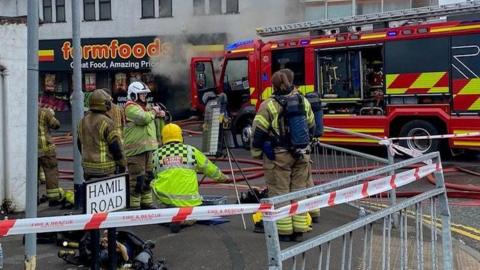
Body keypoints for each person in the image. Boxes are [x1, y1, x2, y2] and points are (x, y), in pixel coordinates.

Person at [251, 70, 315, 242]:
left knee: (280, 193)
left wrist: (257, 152)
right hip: (302, 154)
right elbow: (312, 126)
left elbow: (258, 132)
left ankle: (285, 232)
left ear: (273, 85)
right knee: (299, 191)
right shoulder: (303, 101)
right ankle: (300, 229)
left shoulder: (269, 105)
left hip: (279, 156)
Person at [151, 123, 227, 233]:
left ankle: (168, 218)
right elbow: (209, 168)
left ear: (163, 138)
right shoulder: (191, 151)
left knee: (154, 182)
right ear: (180, 136)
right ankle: (184, 220)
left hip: (166, 201)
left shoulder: (156, 154)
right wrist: (222, 177)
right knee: (193, 214)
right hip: (190, 203)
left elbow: (154, 173)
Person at [281, 68, 321, 224]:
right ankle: (314, 212)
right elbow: (312, 123)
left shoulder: (276, 102)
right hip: (304, 148)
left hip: (284, 151)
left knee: (284, 187)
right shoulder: (303, 100)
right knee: (306, 181)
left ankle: (288, 224)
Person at [124, 81, 165, 209]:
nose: (144, 97)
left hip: (149, 150)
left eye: (145, 94)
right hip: (135, 152)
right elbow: (143, 119)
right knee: (137, 179)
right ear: (134, 95)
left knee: (148, 177)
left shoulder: (146, 108)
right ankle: (134, 206)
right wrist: (153, 112)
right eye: (141, 94)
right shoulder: (130, 107)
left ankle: (146, 203)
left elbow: (151, 121)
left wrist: (161, 116)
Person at [78, 89, 126, 180]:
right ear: (105, 104)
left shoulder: (82, 121)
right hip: (106, 170)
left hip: (87, 169)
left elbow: (79, 144)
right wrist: (122, 164)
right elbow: (115, 147)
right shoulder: (107, 122)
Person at [38, 106, 64, 206]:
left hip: (30, 151)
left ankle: (33, 199)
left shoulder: (23, 112)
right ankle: (53, 199)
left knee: (32, 176)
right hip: (46, 150)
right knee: (51, 172)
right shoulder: (45, 112)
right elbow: (56, 125)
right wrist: (51, 115)